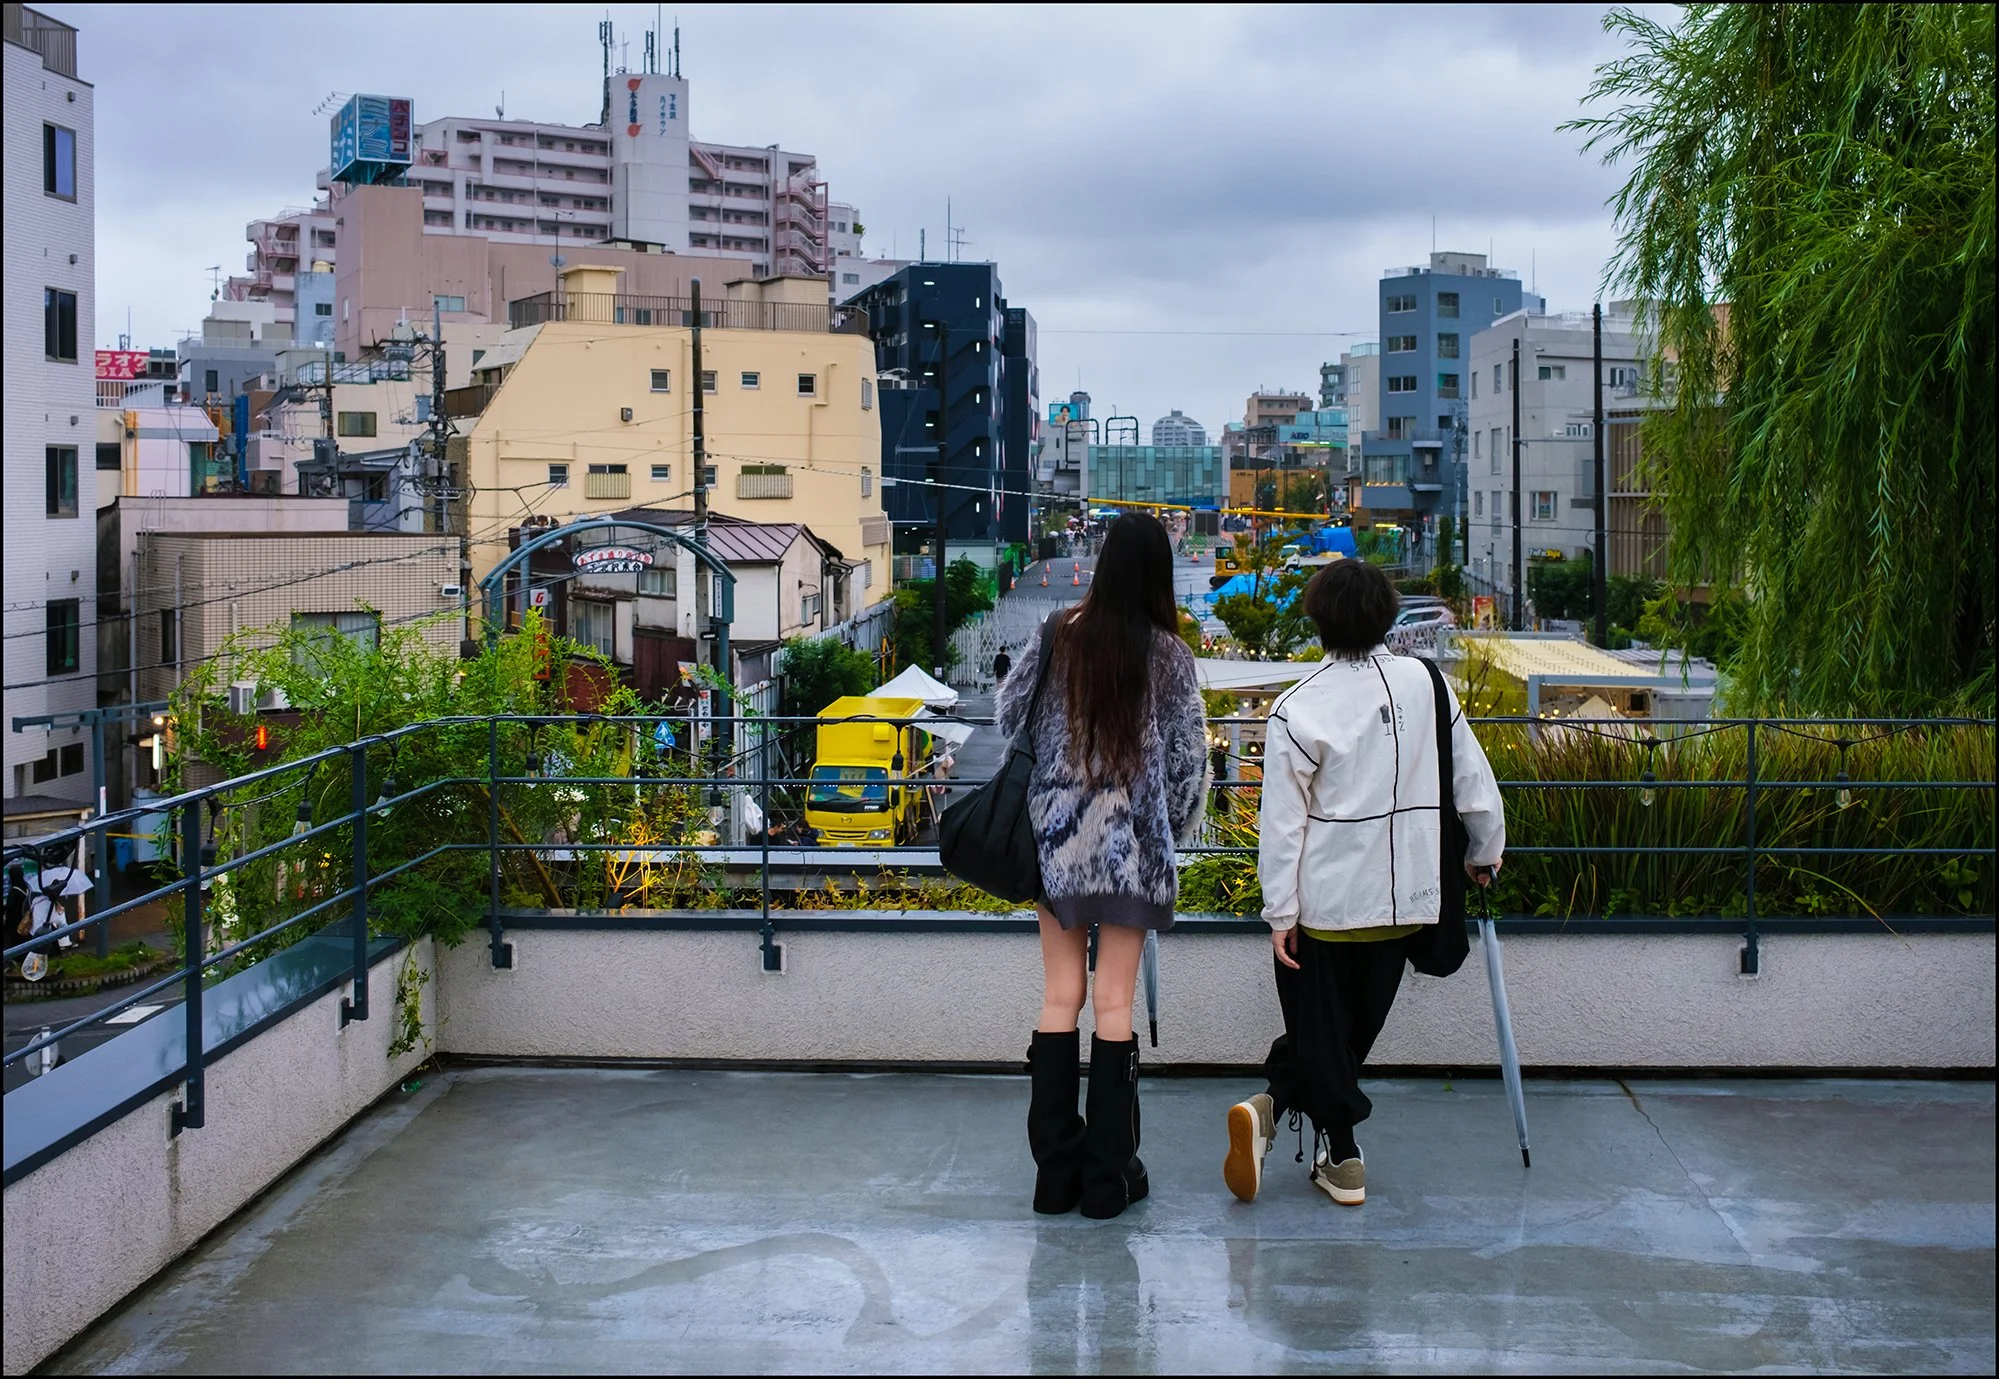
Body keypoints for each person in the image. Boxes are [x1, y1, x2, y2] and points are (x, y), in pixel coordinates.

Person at [1222, 558, 1504, 1208]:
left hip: (1322, 907)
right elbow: (1472, 779)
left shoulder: (1297, 707)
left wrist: (1279, 911)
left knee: (1325, 1034)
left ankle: (1301, 1126)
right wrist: (1485, 848)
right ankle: (1326, 1149)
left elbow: (1281, 827)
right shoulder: (1427, 685)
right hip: (1405, 902)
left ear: (1317, 620)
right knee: (1345, 1037)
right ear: (1386, 616)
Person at [996, 512, 1210, 1220]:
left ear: (1103, 562)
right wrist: (1166, 830)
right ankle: (1106, 1179)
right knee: (1113, 1003)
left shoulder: (1059, 630)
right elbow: (1186, 763)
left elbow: (1007, 714)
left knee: (1060, 996)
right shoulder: (1169, 655)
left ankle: (1053, 1174)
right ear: (1158, 573)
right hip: (1128, 851)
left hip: (1055, 840)